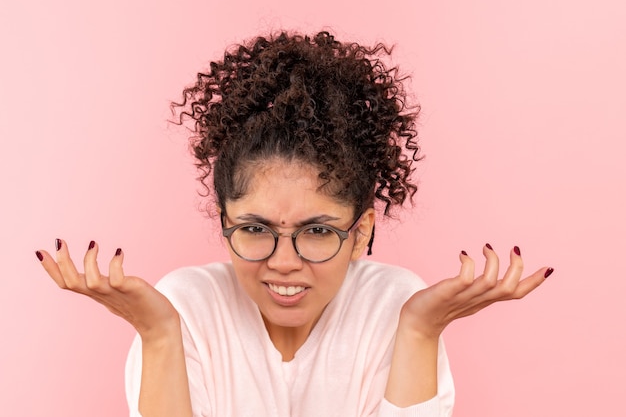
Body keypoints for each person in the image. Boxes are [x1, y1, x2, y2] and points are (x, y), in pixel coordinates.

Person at [35, 31, 553, 417]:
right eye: (256, 229)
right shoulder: (185, 306)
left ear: (361, 231)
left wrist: (420, 329)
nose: (284, 263)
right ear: (224, 223)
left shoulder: (393, 305)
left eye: (319, 231)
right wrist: (159, 332)